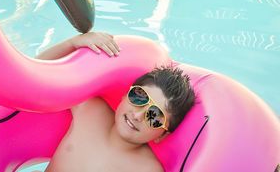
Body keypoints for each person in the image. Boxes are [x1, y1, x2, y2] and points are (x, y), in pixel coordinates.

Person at [34, 32, 196, 172]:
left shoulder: (147, 169)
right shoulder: (89, 110)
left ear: (162, 135)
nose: (138, 115)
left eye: (154, 116)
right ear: (124, 95)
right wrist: (73, 43)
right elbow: (37, 75)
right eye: (139, 97)